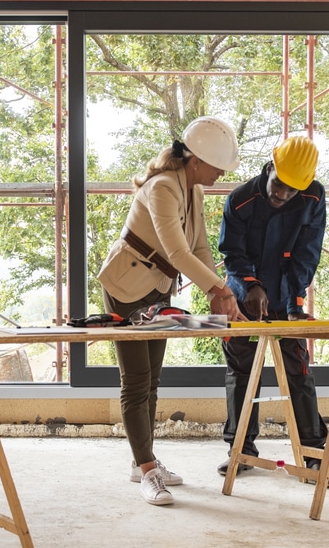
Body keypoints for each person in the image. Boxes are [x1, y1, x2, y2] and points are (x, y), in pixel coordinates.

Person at [97, 116, 246, 506]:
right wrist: (221, 290)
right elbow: (177, 252)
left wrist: (219, 294)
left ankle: (142, 461)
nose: (221, 174)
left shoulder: (192, 189)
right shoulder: (163, 188)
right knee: (136, 380)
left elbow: (197, 250)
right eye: (218, 167)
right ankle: (147, 472)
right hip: (126, 288)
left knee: (152, 380)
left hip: (156, 291)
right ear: (196, 160)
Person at [217, 135, 329, 486]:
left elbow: (307, 253)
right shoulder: (240, 201)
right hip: (243, 295)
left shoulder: (313, 196)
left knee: (298, 372)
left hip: (287, 295)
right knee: (241, 373)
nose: (283, 195)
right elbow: (232, 254)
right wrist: (252, 286)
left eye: (291, 191)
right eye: (279, 186)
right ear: (270, 167)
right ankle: (240, 451)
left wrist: (295, 303)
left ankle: (314, 456)